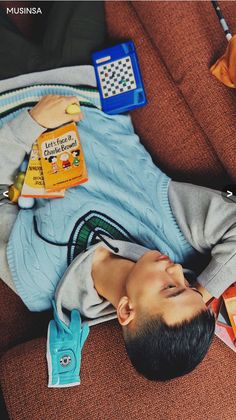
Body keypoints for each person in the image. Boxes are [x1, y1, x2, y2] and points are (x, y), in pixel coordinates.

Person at [3, 91, 236, 382]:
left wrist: (31, 123)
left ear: (126, 309)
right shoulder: (177, 240)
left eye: (170, 288)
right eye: (185, 284)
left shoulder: (37, 283)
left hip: (8, 102)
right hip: (83, 86)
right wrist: (204, 287)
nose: (176, 270)